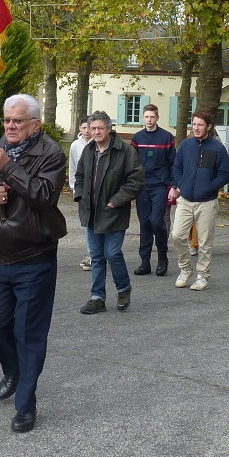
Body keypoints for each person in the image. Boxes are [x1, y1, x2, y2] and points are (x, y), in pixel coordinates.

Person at [0, 94, 67, 434]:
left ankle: (26, 403)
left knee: (28, 334)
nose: (10, 126)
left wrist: (8, 166)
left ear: (35, 125)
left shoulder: (50, 153)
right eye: (7, 120)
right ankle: (13, 371)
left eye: (17, 121)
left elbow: (43, 195)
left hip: (34, 257)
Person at [74, 111, 144, 313]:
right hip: (91, 212)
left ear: (109, 129)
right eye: (92, 128)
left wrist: (115, 201)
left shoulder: (125, 151)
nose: (95, 132)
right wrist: (80, 196)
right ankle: (97, 298)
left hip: (114, 212)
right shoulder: (88, 150)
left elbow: (136, 181)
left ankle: (123, 288)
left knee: (111, 253)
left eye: (100, 128)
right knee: (96, 256)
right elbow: (79, 176)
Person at [168, 111, 229, 291]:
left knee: (204, 242)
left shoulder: (218, 148)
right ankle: (185, 269)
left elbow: (225, 175)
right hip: (185, 200)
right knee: (177, 235)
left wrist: (208, 187)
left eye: (200, 125)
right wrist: (181, 185)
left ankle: (202, 275)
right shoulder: (186, 145)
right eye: (194, 124)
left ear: (208, 126)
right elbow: (177, 167)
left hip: (207, 202)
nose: (196, 128)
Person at [130, 103, 175, 276]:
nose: (149, 120)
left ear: (157, 118)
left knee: (156, 221)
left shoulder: (166, 137)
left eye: (152, 117)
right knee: (145, 223)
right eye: (147, 117)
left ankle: (162, 257)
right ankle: (145, 261)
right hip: (142, 187)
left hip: (160, 186)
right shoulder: (137, 138)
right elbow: (131, 164)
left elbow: (173, 164)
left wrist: (173, 186)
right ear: (143, 118)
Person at [69, 118, 94, 272]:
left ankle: (95, 254)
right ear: (80, 128)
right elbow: (73, 168)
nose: (87, 131)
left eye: (89, 127)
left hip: (95, 188)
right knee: (87, 223)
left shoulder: (96, 143)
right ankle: (92, 253)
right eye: (84, 127)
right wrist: (75, 189)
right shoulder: (75, 146)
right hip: (82, 190)